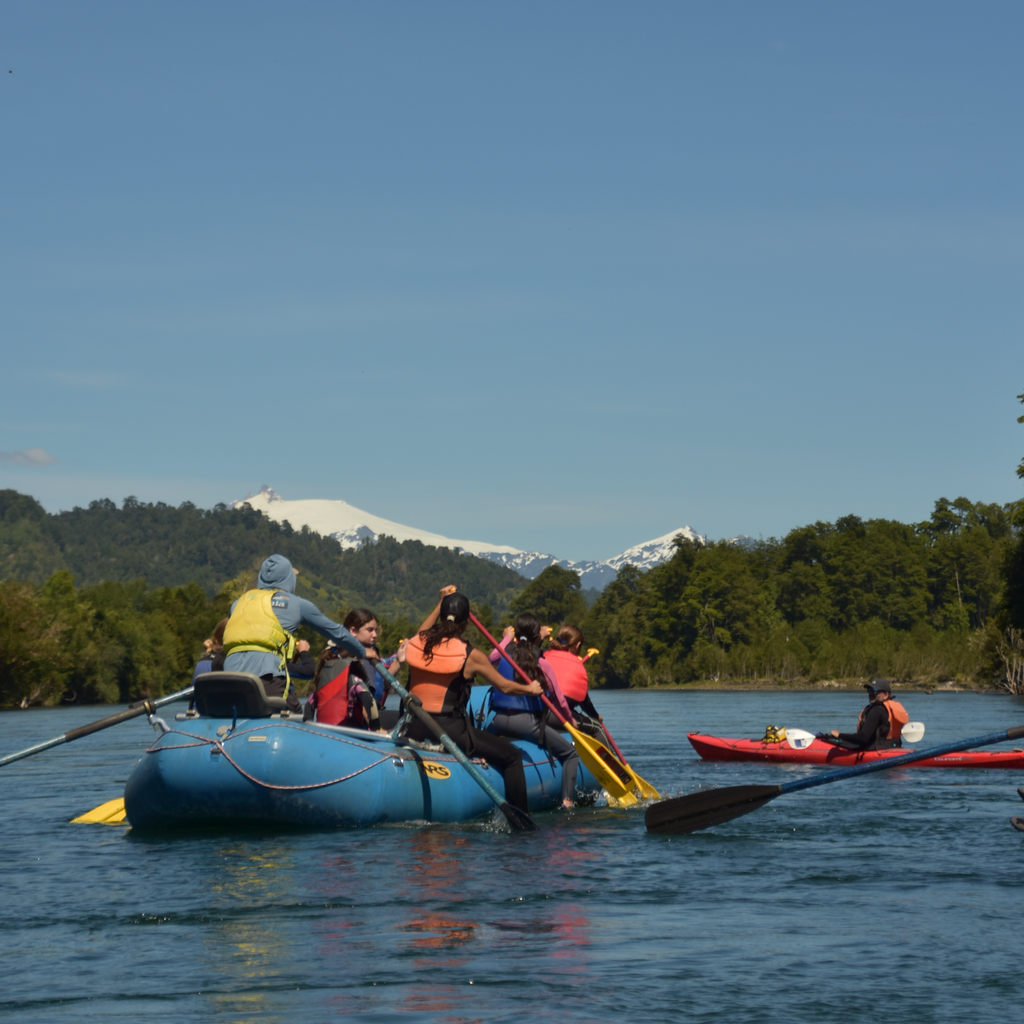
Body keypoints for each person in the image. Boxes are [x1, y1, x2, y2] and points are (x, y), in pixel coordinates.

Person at [404, 587, 543, 815]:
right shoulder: (470, 655)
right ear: (466, 623)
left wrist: (440, 603)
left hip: (414, 726)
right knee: (512, 757)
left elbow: (425, 629)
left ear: (441, 616)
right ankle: (521, 817)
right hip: (448, 730)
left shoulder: (418, 642)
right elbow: (505, 686)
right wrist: (530, 688)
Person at [222, 554, 365, 714]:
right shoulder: (296, 604)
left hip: (228, 677)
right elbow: (337, 633)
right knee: (297, 715)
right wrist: (362, 652)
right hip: (267, 677)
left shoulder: (237, 604)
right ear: (288, 578)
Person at [486, 613, 580, 809]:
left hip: (499, 721)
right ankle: (567, 802)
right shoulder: (543, 663)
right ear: (537, 636)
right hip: (527, 724)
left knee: (478, 743)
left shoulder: (505, 655)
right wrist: (570, 721)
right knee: (571, 753)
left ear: (516, 635)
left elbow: (492, 657)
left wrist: (506, 637)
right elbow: (559, 700)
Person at [544, 624, 603, 729]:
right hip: (559, 715)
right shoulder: (577, 664)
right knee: (597, 727)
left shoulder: (544, 655)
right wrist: (596, 716)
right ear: (577, 645)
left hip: (538, 710)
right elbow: (585, 702)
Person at [825, 678, 908, 751]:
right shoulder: (888, 708)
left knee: (830, 740)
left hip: (875, 750)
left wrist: (840, 735)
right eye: (869, 690)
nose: (870, 693)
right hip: (893, 746)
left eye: (875, 691)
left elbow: (863, 738)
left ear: (886, 695)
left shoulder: (877, 710)